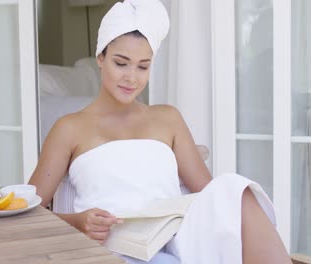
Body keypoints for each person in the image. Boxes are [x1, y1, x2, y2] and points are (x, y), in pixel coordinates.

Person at [28, 0, 291, 263]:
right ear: (101, 58)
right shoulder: (70, 128)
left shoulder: (168, 118)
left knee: (235, 189)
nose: (132, 77)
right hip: (113, 249)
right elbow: (29, 212)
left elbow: (210, 196)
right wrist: (77, 222)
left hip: (175, 241)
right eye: (121, 63)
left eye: (143, 66)